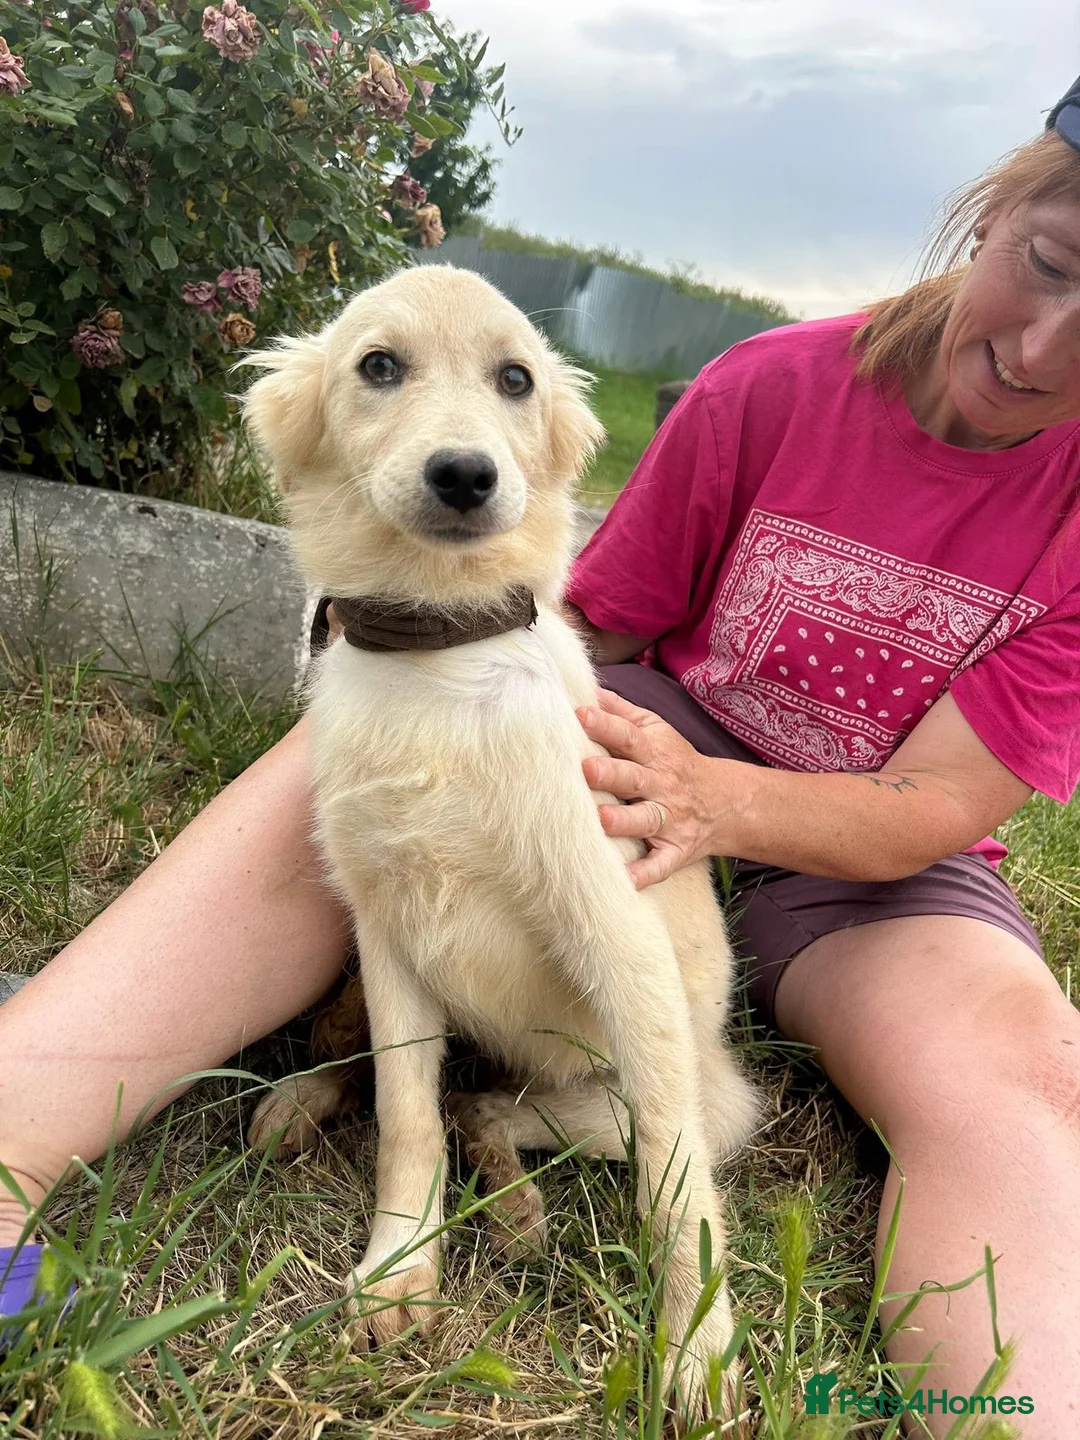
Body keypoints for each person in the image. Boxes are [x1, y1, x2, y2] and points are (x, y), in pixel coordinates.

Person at [4, 78, 1080, 1438]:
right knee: (371, 757)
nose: (1045, 347)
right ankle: (13, 1131)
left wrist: (727, 808)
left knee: (1031, 1081)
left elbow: (934, 801)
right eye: (1046, 266)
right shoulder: (776, 385)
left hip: (871, 855)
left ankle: (1023, 1419)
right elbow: (578, 616)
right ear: (995, 210)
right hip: (650, 731)